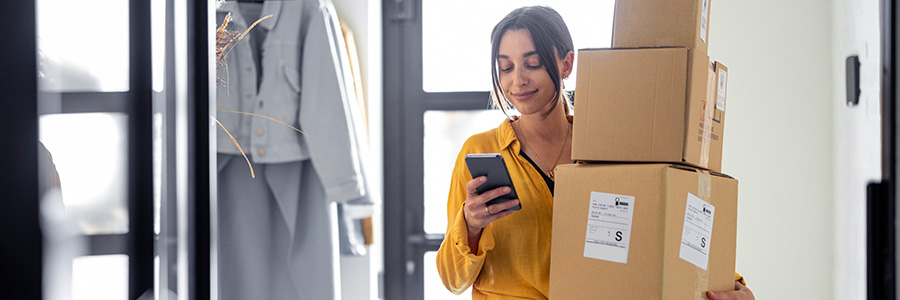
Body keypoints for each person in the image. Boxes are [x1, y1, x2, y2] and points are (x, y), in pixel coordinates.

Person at [435, 6, 755, 300]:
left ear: (567, 63)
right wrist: (471, 223)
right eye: (505, 67)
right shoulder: (480, 151)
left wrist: (735, 285)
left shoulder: (610, 146)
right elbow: (453, 280)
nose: (517, 80)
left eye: (532, 64)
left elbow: (668, 216)